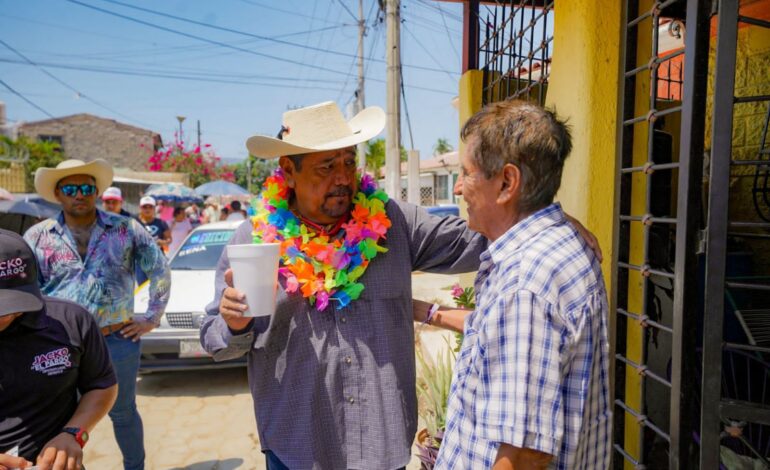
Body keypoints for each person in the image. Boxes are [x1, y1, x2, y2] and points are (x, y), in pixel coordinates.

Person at [200, 101, 598, 469]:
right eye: (326, 167)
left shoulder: (391, 221)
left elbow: (478, 234)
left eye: (348, 161)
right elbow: (215, 341)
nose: (343, 178)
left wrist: (540, 217)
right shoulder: (252, 240)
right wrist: (235, 325)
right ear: (288, 170)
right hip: (298, 448)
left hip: (380, 445)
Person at [432, 100, 611, 470]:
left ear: (507, 183)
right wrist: (426, 311)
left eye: (466, 174)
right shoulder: (561, 242)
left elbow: (524, 454)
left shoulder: (525, 284)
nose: (458, 189)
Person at [23, 159, 171, 470]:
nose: (80, 194)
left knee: (124, 412)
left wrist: (152, 317)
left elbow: (159, 269)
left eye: (87, 188)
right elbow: (27, 291)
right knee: (62, 421)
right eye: (71, 189)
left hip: (117, 339)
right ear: (58, 194)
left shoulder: (126, 229)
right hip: (59, 345)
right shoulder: (37, 237)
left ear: (96, 192)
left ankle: (136, 467)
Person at [0, 229, 118, 470]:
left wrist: (73, 434)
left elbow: (101, 385)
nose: (5, 314)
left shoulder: (71, 321)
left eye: (12, 302)